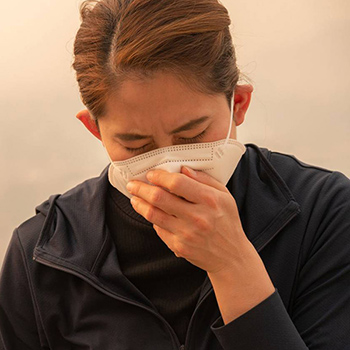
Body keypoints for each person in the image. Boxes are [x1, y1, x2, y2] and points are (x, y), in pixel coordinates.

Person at [0, 0, 349, 349]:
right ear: (95, 129)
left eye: (192, 136)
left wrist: (233, 266)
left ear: (238, 104)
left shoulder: (325, 213)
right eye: (136, 145)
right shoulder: (44, 253)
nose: (168, 164)